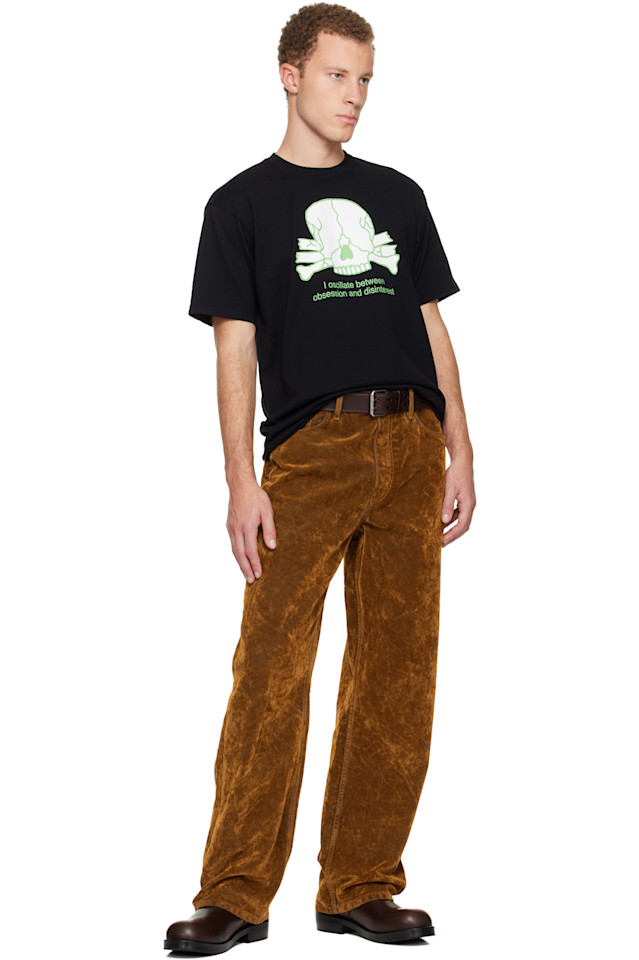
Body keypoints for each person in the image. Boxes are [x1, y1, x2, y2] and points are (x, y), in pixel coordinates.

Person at [164, 3, 476, 954]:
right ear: (290, 75)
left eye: (365, 79)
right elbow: (234, 348)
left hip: (410, 443)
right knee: (271, 668)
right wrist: (240, 481)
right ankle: (233, 893)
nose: (354, 96)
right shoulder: (240, 205)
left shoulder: (397, 194)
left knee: (397, 674)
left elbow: (429, 324)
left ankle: (359, 885)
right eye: (338, 75)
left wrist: (460, 446)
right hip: (310, 450)